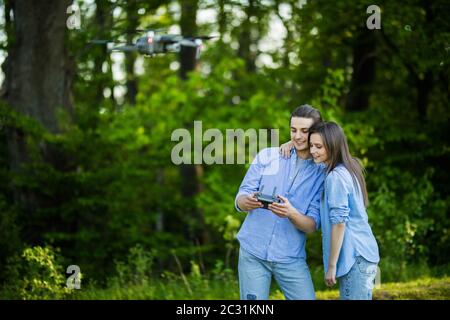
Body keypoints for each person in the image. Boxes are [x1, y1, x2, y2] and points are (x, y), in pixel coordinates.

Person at [234, 104, 325, 300]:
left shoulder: (322, 173)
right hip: (253, 252)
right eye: (293, 130)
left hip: (290, 257)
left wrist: (291, 213)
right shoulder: (268, 156)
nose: (297, 136)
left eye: (304, 131)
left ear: (315, 132)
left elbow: (311, 226)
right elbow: (240, 197)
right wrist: (246, 202)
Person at [308, 121, 380, 300]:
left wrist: (331, 266)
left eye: (319, 146)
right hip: (364, 254)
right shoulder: (349, 168)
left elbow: (339, 223)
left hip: (354, 257)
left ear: (333, 147)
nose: (312, 151)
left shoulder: (335, 177)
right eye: (311, 145)